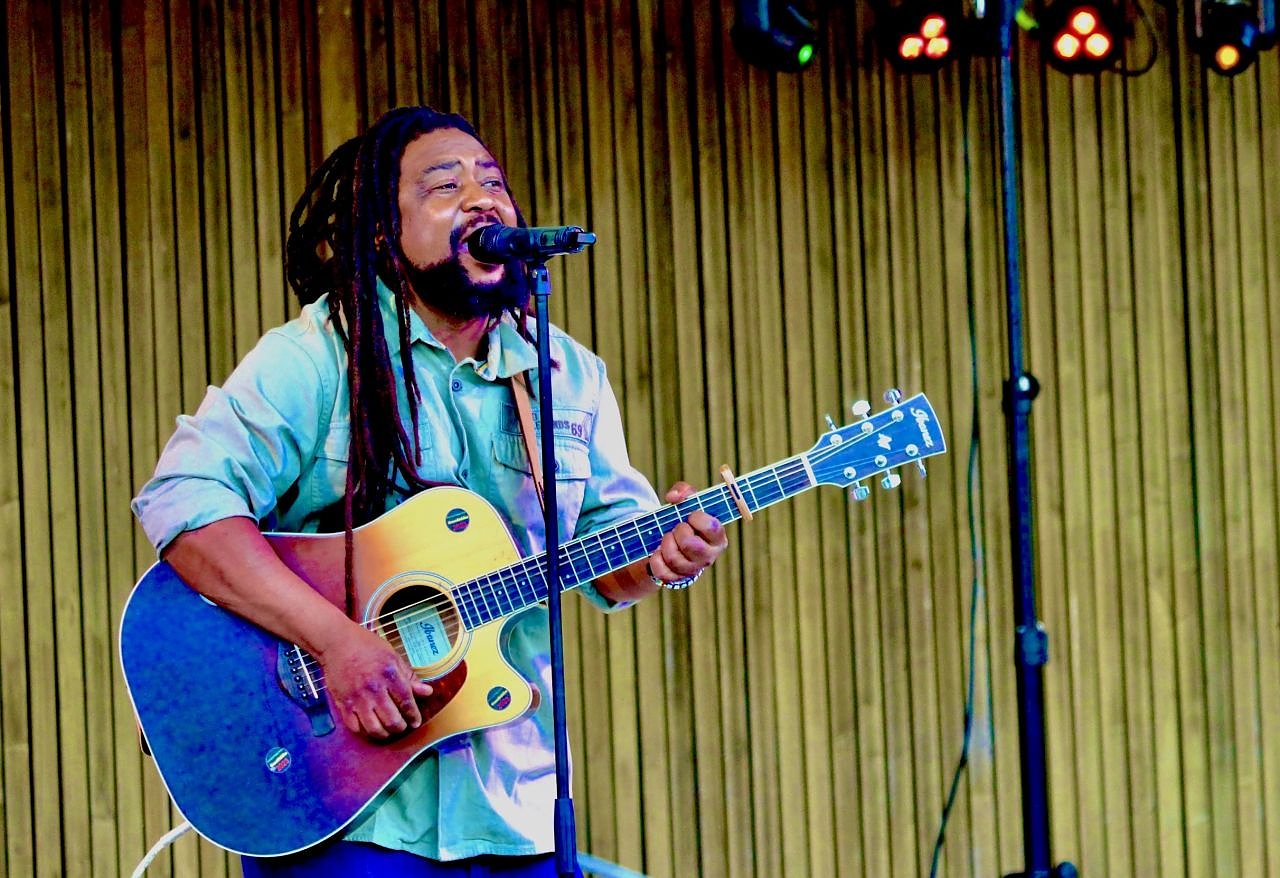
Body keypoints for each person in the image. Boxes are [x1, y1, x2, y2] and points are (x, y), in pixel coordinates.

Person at [131, 106, 727, 877]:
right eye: (445, 186)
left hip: (515, 804)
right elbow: (184, 499)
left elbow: (613, 563)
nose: (481, 199)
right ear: (385, 234)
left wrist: (666, 554)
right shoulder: (321, 356)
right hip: (351, 811)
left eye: (493, 183)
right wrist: (336, 641)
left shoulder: (566, 375)